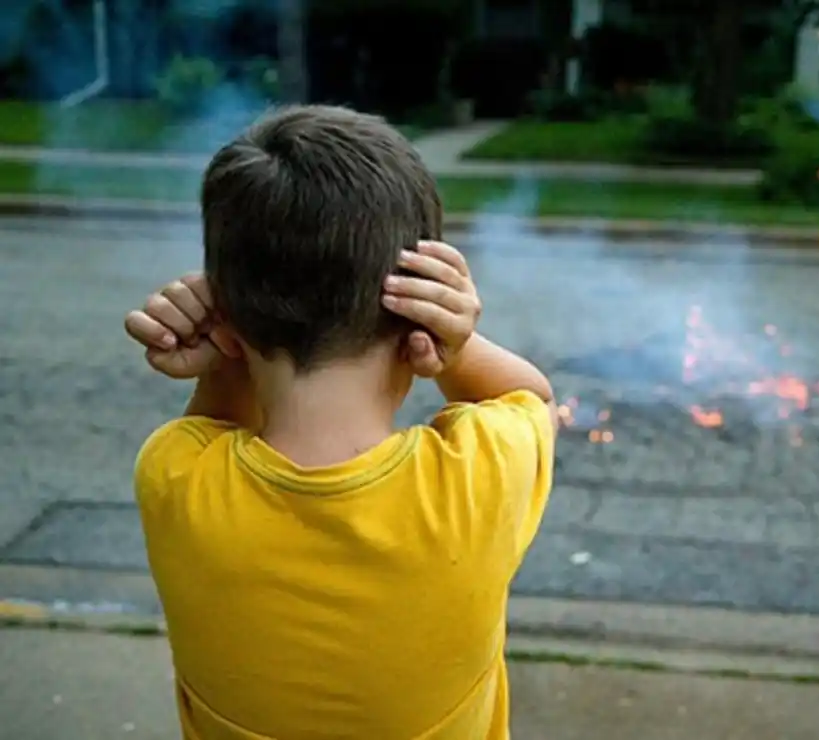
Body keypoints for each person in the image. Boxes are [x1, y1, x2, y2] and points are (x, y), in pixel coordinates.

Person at [123, 105, 558, 740]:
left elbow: (213, 431)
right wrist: (458, 347)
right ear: (419, 318)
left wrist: (223, 353)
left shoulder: (173, 476)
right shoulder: (478, 480)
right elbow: (532, 399)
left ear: (229, 317)